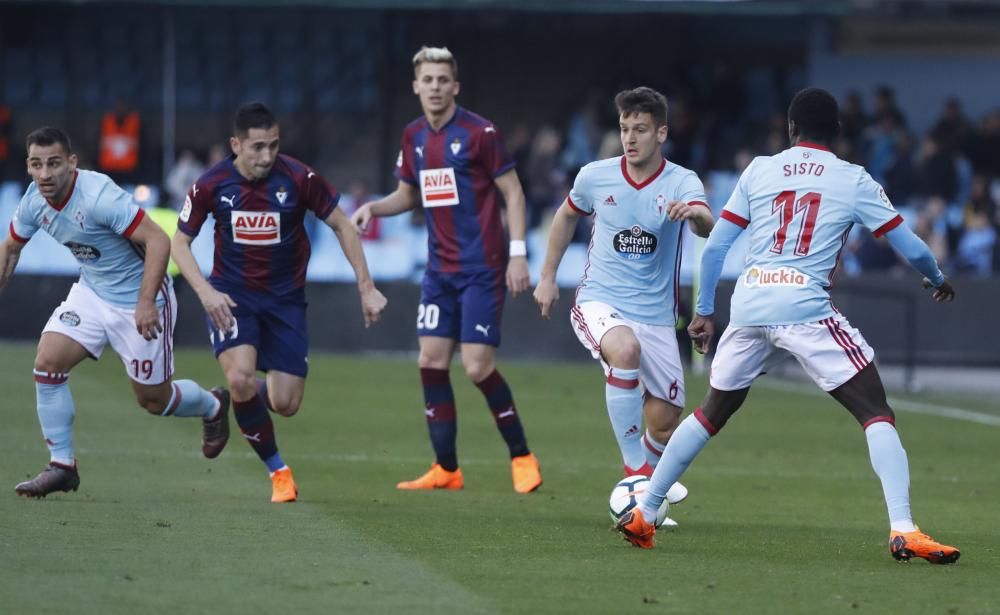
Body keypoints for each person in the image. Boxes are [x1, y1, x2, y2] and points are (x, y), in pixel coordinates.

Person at [617, 88, 961, 565]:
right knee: (875, 411)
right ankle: (904, 528)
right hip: (804, 306)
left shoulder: (760, 169)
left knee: (711, 412)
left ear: (791, 128)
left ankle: (645, 510)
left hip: (751, 303)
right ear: (837, 133)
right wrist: (936, 279)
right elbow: (913, 246)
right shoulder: (853, 178)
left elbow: (715, 247)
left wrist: (702, 311)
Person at [171, 103, 387, 503]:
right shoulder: (211, 184)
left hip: (286, 301)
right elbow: (179, 242)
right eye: (256, 147)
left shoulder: (298, 177)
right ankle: (279, 472)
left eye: (272, 145)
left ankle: (230, 400)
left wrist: (366, 286)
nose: (266, 156)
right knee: (240, 376)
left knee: (286, 403)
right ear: (236, 145)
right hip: (232, 298)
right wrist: (205, 291)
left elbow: (342, 223)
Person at [351, 47, 542, 493]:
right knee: (431, 361)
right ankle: (447, 469)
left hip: (483, 267)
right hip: (439, 271)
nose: (435, 87)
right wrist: (373, 208)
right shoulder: (413, 136)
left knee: (476, 367)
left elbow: (513, 193)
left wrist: (518, 253)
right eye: (427, 80)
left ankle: (522, 456)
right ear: (416, 86)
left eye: (442, 80)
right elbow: (409, 194)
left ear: (455, 86)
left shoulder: (481, 133)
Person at [1, 127, 230, 498]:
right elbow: (11, 247)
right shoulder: (33, 202)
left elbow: (158, 240)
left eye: (54, 164)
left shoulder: (98, 197)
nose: (45, 174)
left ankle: (213, 404)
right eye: (37, 164)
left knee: (152, 400)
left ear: (71, 164)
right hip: (92, 292)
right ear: (28, 166)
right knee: (47, 362)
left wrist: (144, 302)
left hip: (142, 299)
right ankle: (62, 465)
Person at [533, 87, 714, 517]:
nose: (630, 138)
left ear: (661, 133)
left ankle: (638, 504)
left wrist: (692, 214)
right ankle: (635, 472)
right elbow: (565, 216)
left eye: (641, 130)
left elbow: (708, 224)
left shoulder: (682, 181)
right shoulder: (595, 175)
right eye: (624, 128)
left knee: (666, 420)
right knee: (624, 350)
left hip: (655, 315)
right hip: (600, 301)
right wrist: (547, 277)